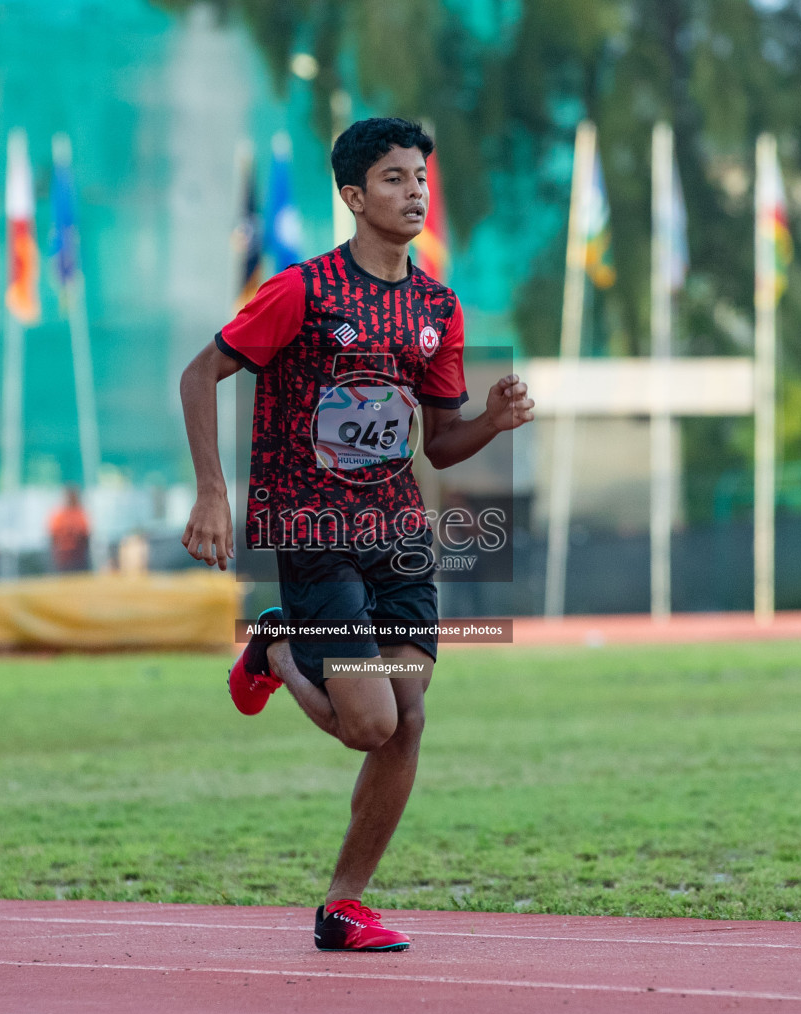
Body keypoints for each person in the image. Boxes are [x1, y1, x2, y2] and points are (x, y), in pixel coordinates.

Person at [178, 117, 534, 952]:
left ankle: (344, 907)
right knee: (369, 724)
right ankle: (273, 649)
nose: (415, 192)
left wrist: (489, 419)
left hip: (398, 533)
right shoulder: (302, 291)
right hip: (314, 532)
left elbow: (440, 440)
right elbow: (201, 372)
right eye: (394, 179)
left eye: (421, 178)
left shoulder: (437, 307)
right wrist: (212, 492)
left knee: (407, 718)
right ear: (352, 197)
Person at [47, 484, 92, 573]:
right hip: (63, 555)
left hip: (78, 555)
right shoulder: (59, 515)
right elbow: (53, 536)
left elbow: (86, 535)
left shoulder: (80, 513)